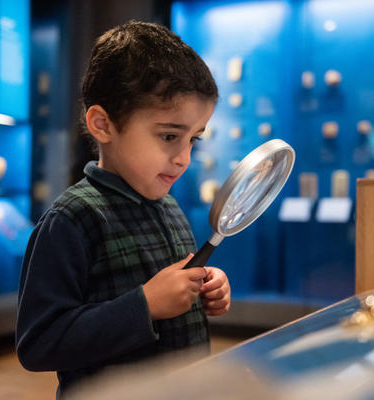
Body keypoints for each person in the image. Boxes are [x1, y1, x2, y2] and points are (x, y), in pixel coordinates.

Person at [16, 20, 231, 397]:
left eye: (193, 139)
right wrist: (144, 305)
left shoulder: (169, 207)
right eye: (169, 136)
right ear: (103, 124)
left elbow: (170, 289)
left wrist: (204, 286)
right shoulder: (72, 218)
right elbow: (39, 343)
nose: (184, 158)